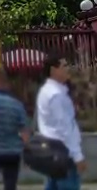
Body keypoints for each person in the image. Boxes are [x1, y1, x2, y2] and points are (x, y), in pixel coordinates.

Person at [37, 55, 84, 190]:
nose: (67, 69)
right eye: (63, 66)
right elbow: (64, 128)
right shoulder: (56, 95)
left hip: (52, 152)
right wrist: (77, 156)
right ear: (53, 70)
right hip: (64, 153)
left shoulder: (46, 91)